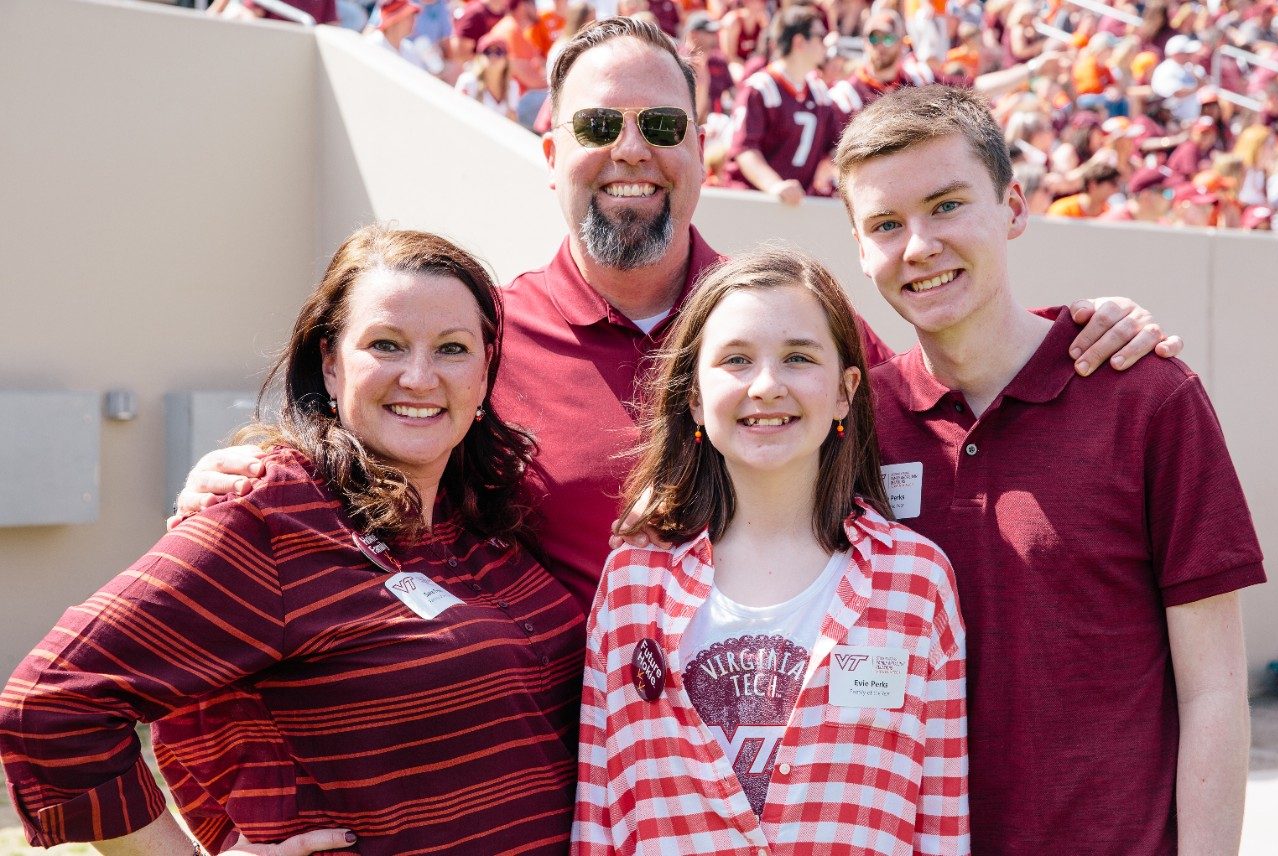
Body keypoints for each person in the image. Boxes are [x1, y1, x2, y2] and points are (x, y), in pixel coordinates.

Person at [176, 20, 1181, 616]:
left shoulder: (788, 324)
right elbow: (375, 452)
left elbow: (939, 403)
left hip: (800, 783)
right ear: (548, 146)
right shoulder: (482, 343)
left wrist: (1072, 328)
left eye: (661, 127)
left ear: (703, 150)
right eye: (597, 127)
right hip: (569, 794)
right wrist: (251, 471)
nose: (630, 150)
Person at [0, 227, 586, 855]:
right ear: (331, 366)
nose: (420, 376)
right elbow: (52, 703)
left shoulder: (486, 517)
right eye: (385, 344)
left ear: (485, 372)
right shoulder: (273, 513)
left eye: (452, 348)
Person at [834, 83, 1264, 855]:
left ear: (1015, 207)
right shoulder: (856, 429)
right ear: (861, 252)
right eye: (886, 225)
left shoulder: (1148, 398)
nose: (920, 244)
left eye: (947, 205)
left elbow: (1215, 692)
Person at [572, 249, 968, 854]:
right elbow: (599, 817)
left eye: (798, 358)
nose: (766, 386)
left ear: (845, 392)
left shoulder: (915, 581)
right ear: (697, 401)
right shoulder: (634, 581)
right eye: (736, 360)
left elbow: (941, 821)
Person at [724, 6, 844, 204]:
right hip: (752, 202)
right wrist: (774, 186)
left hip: (795, 205)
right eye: (820, 37)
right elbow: (745, 150)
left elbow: (835, 147)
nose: (826, 44)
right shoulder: (760, 88)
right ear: (799, 42)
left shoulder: (819, 92)